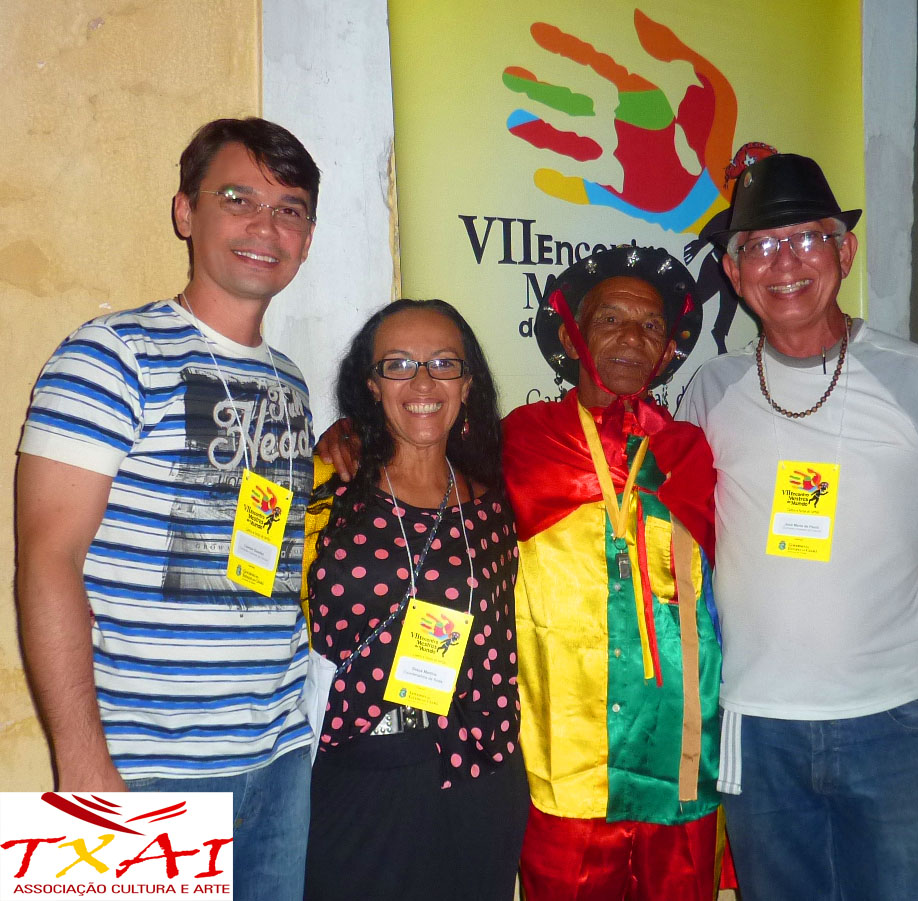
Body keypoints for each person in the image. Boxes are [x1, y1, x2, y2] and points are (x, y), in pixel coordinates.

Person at [317, 246, 730, 900]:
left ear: (669, 347)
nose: (631, 338)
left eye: (651, 325)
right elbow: (419, 436)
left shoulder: (692, 451)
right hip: (561, 765)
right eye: (610, 319)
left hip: (675, 760)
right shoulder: (520, 441)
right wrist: (348, 434)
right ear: (571, 335)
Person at [678, 152, 918, 899]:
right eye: (760, 246)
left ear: (845, 251)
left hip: (892, 723)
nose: (785, 262)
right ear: (734, 272)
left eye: (807, 237)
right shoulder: (710, 390)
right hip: (754, 726)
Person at [15, 117, 320, 901]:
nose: (265, 227)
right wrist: (83, 764)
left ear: (307, 237)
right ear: (186, 212)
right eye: (238, 199)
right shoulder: (109, 354)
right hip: (141, 766)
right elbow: (46, 561)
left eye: (289, 209)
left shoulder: (291, 382)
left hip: (280, 762)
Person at [303, 299, 528, 901]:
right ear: (371, 384)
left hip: (482, 773)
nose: (423, 382)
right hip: (362, 769)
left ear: (467, 384)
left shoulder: (495, 502)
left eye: (443, 363)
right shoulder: (323, 491)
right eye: (399, 364)